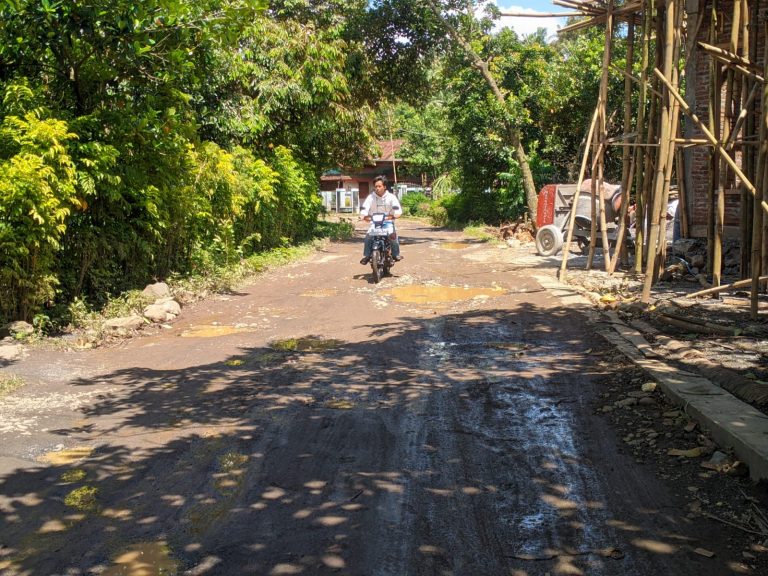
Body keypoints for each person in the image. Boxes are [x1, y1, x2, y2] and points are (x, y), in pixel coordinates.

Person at [359, 175, 403, 264]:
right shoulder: (371, 197)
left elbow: (396, 208)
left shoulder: (391, 197)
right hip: (374, 223)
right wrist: (362, 215)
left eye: (379, 186)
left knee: (392, 236)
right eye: (376, 186)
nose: (377, 188)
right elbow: (365, 208)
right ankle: (367, 256)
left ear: (384, 187)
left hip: (388, 222)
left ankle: (395, 254)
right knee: (368, 237)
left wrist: (397, 213)